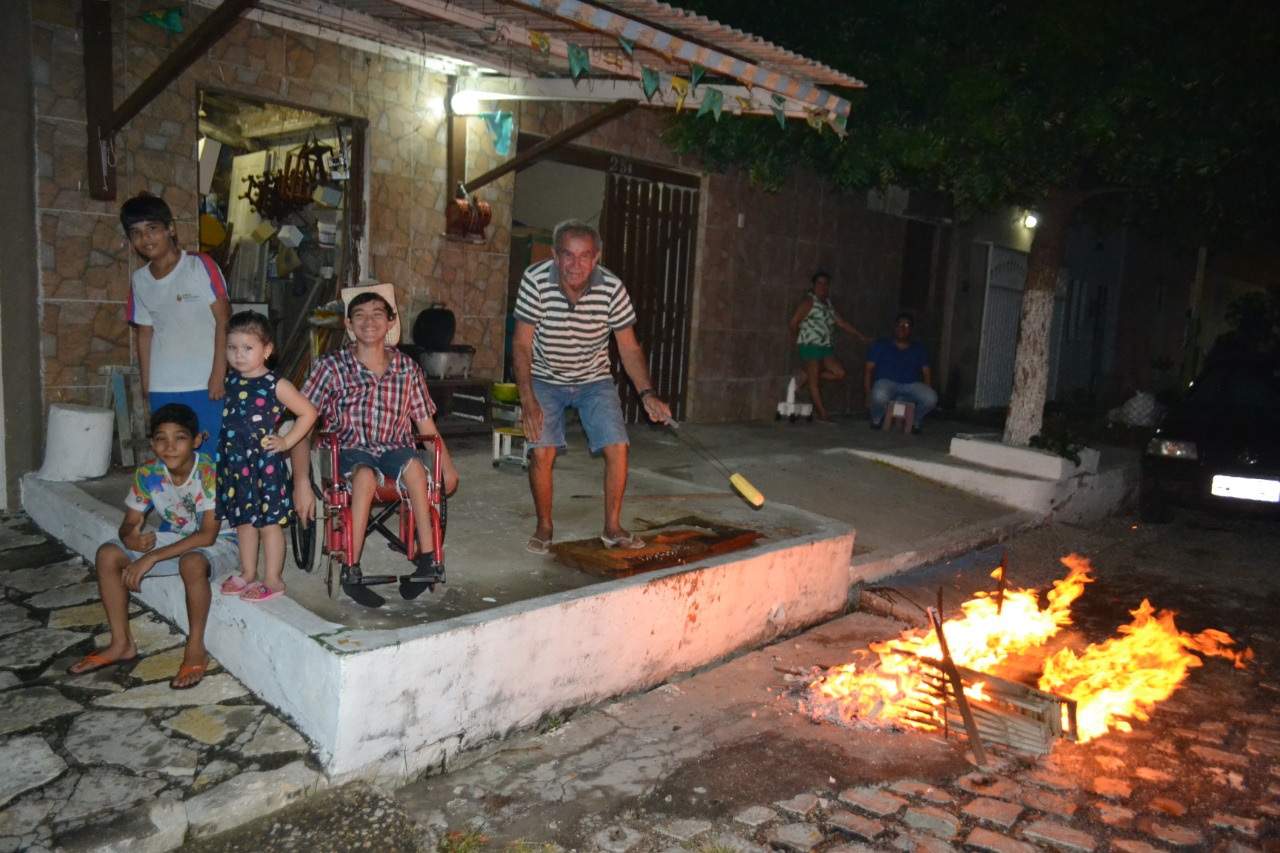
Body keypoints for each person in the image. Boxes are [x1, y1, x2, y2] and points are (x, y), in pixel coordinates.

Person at [513, 219, 673, 554]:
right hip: (545, 377)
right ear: (556, 257)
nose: (576, 264)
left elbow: (628, 347)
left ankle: (612, 527)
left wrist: (648, 395)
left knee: (618, 447)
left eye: (584, 256)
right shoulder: (535, 281)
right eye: (568, 256)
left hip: (593, 378)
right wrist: (527, 399)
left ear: (596, 257)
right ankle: (544, 526)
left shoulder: (612, 288)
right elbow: (522, 344)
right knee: (542, 451)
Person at [292, 291, 459, 592]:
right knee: (366, 476)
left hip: (394, 448)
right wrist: (301, 482)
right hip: (349, 449)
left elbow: (425, 424)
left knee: (417, 470)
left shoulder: (407, 369)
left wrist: (446, 467)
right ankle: (351, 568)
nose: (369, 321)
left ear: (391, 321)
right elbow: (301, 425)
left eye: (377, 313)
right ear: (348, 324)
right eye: (360, 315)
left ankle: (428, 560)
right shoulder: (331, 367)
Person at [66, 404, 239, 689]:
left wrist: (150, 558)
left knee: (192, 562)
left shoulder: (210, 472)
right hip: (179, 537)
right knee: (108, 554)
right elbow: (130, 523)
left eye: (180, 438)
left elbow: (208, 535)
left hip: (223, 542)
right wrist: (128, 538)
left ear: (196, 441)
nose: (169, 447)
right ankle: (121, 643)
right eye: (161, 438)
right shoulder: (148, 473)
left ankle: (195, 648)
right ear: (152, 443)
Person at [217, 311, 318, 603]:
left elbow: (308, 413)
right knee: (244, 520)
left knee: (268, 523)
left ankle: (272, 578)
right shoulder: (232, 380)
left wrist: (286, 440)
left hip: (263, 464)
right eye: (232, 347)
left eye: (247, 348)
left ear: (267, 350)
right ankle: (248, 572)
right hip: (236, 463)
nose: (238, 355)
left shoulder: (275, 384)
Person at [122, 193, 232, 443]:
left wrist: (218, 374)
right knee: (172, 458)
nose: (145, 238)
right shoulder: (139, 281)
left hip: (205, 384)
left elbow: (224, 320)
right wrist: (147, 386)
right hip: (163, 386)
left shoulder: (199, 265)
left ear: (171, 229)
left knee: (207, 454)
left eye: (152, 228)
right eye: (135, 232)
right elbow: (145, 333)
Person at [788, 271, 871, 424]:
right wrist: (795, 341)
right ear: (814, 285)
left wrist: (859, 335)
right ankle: (823, 414)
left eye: (825, 283)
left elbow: (842, 323)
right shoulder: (809, 301)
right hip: (811, 344)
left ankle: (806, 376)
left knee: (839, 373)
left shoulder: (828, 303)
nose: (822, 286)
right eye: (819, 283)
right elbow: (794, 322)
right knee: (814, 381)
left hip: (826, 345)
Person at [864, 312, 938, 433]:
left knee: (931, 398)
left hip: (911, 386)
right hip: (886, 383)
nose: (902, 329)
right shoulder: (881, 345)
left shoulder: (919, 348)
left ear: (912, 330)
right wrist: (867, 395)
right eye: (899, 325)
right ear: (894, 327)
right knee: (879, 395)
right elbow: (868, 370)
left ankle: (916, 420)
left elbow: (926, 373)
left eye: (907, 325)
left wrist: (927, 388)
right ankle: (877, 418)